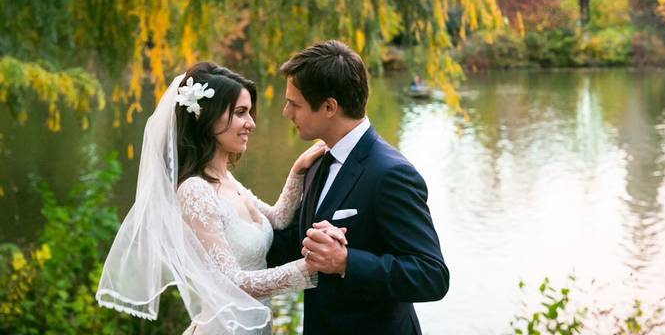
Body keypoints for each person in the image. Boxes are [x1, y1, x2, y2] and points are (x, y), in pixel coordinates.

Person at [97, 61, 346, 334]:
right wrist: (308, 266)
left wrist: (296, 172)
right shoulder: (195, 191)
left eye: (249, 113)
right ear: (206, 117)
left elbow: (277, 219)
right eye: (240, 113)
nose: (251, 123)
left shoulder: (226, 179)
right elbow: (232, 283)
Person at [267, 40, 449, 334]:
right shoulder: (318, 161)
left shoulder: (392, 174)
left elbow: (431, 276)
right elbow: (295, 245)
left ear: (329, 107)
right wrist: (225, 218)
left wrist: (346, 262)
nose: (287, 112)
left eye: (294, 104)